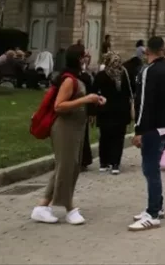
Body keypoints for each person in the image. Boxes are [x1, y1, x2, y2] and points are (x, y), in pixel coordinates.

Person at [31, 44, 103, 225]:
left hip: (76, 128)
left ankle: (42, 206)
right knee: (66, 167)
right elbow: (59, 106)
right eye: (84, 55)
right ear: (78, 59)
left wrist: (94, 100)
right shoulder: (69, 80)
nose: (88, 57)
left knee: (71, 166)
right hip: (64, 128)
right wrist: (86, 99)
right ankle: (69, 207)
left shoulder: (77, 78)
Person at [129, 36, 165, 231]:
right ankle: (157, 204)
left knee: (150, 169)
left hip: (152, 126)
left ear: (148, 51)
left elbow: (143, 103)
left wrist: (138, 130)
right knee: (154, 167)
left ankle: (153, 213)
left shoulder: (149, 71)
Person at [93, 51, 134, 174]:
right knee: (118, 138)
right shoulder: (125, 74)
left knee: (105, 137)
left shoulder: (101, 75)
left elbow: (94, 91)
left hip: (105, 111)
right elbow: (131, 92)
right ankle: (115, 163)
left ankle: (104, 162)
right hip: (121, 111)